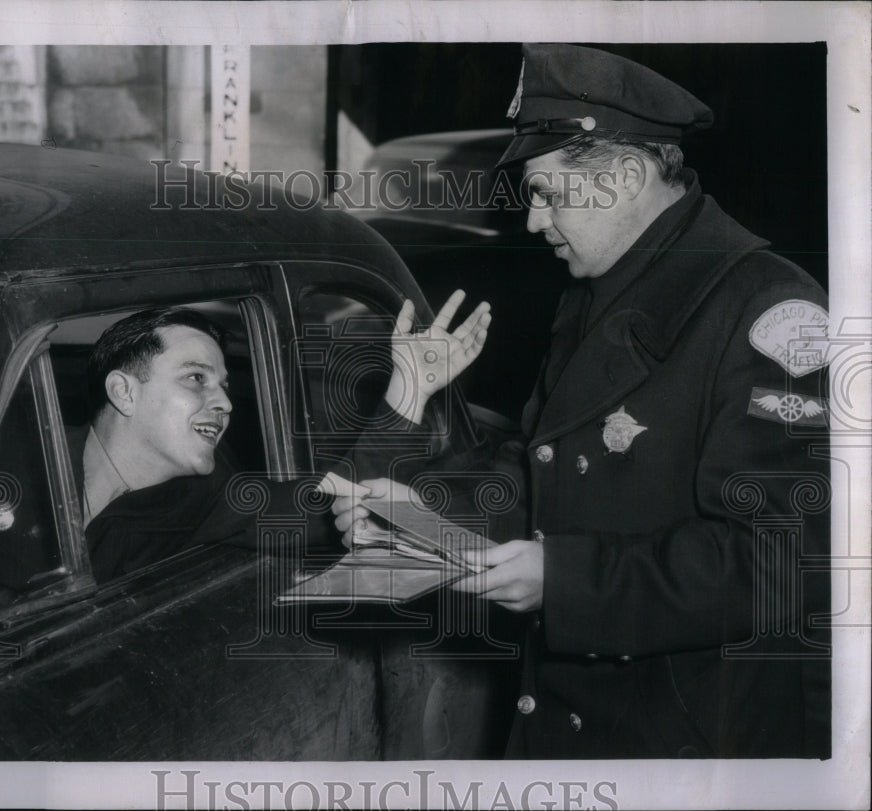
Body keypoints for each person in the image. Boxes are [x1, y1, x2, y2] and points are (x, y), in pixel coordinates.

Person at [332, 43, 831, 758]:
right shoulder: (597, 296)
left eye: (546, 194)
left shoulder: (771, 310)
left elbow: (782, 563)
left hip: (689, 743)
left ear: (625, 176)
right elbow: (545, 469)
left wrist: (563, 585)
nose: (533, 222)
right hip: (577, 727)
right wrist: (413, 505)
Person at [77, 297, 491, 582]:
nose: (224, 402)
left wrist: (410, 388)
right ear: (123, 392)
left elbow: (329, 501)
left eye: (222, 384)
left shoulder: (204, 496)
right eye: (195, 379)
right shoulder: (22, 462)